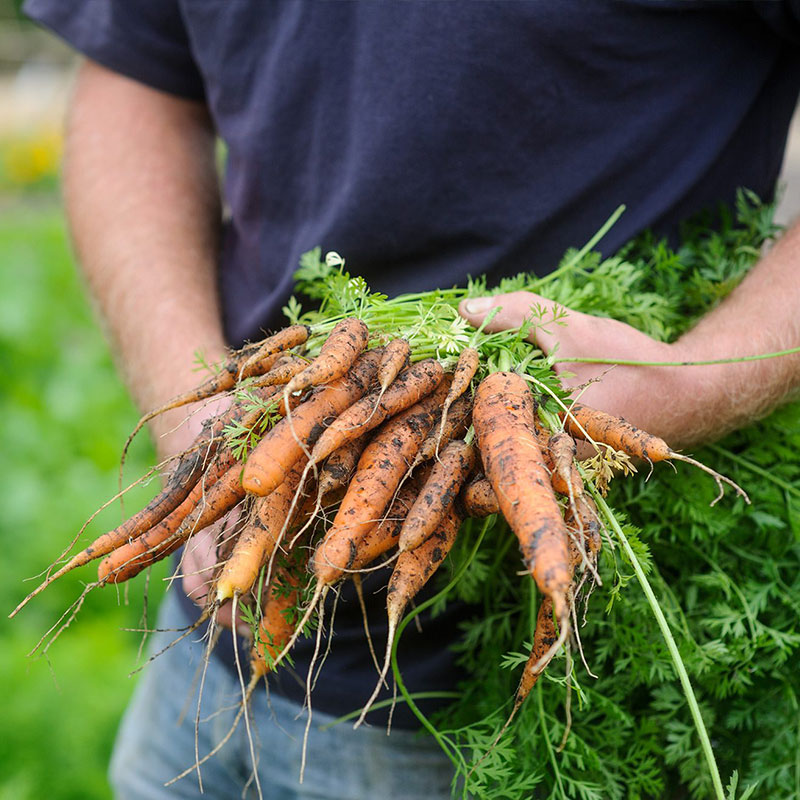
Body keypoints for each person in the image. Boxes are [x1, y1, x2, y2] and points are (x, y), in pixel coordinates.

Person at [24, 2, 800, 797]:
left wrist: (698, 379)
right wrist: (194, 420)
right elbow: (137, 76)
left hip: (498, 723)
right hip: (220, 601)